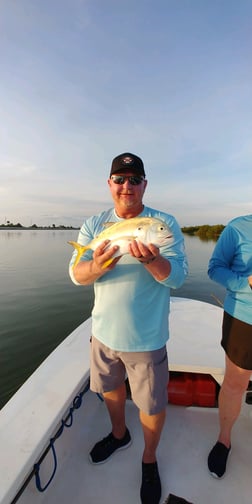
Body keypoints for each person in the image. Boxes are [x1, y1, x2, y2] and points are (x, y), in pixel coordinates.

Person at [69, 152, 188, 503]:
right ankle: (119, 434)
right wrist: (98, 267)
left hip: (146, 339)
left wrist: (153, 260)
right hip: (103, 334)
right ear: (109, 184)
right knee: (110, 390)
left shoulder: (163, 222)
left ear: (144, 185)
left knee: (151, 404)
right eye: (120, 179)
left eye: (135, 179)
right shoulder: (95, 225)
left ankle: (148, 459)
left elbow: (178, 278)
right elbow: (76, 275)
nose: (127, 186)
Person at [207, 214, 252, 478]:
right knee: (235, 384)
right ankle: (224, 439)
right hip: (245, 319)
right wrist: (246, 283)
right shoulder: (238, 228)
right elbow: (215, 268)